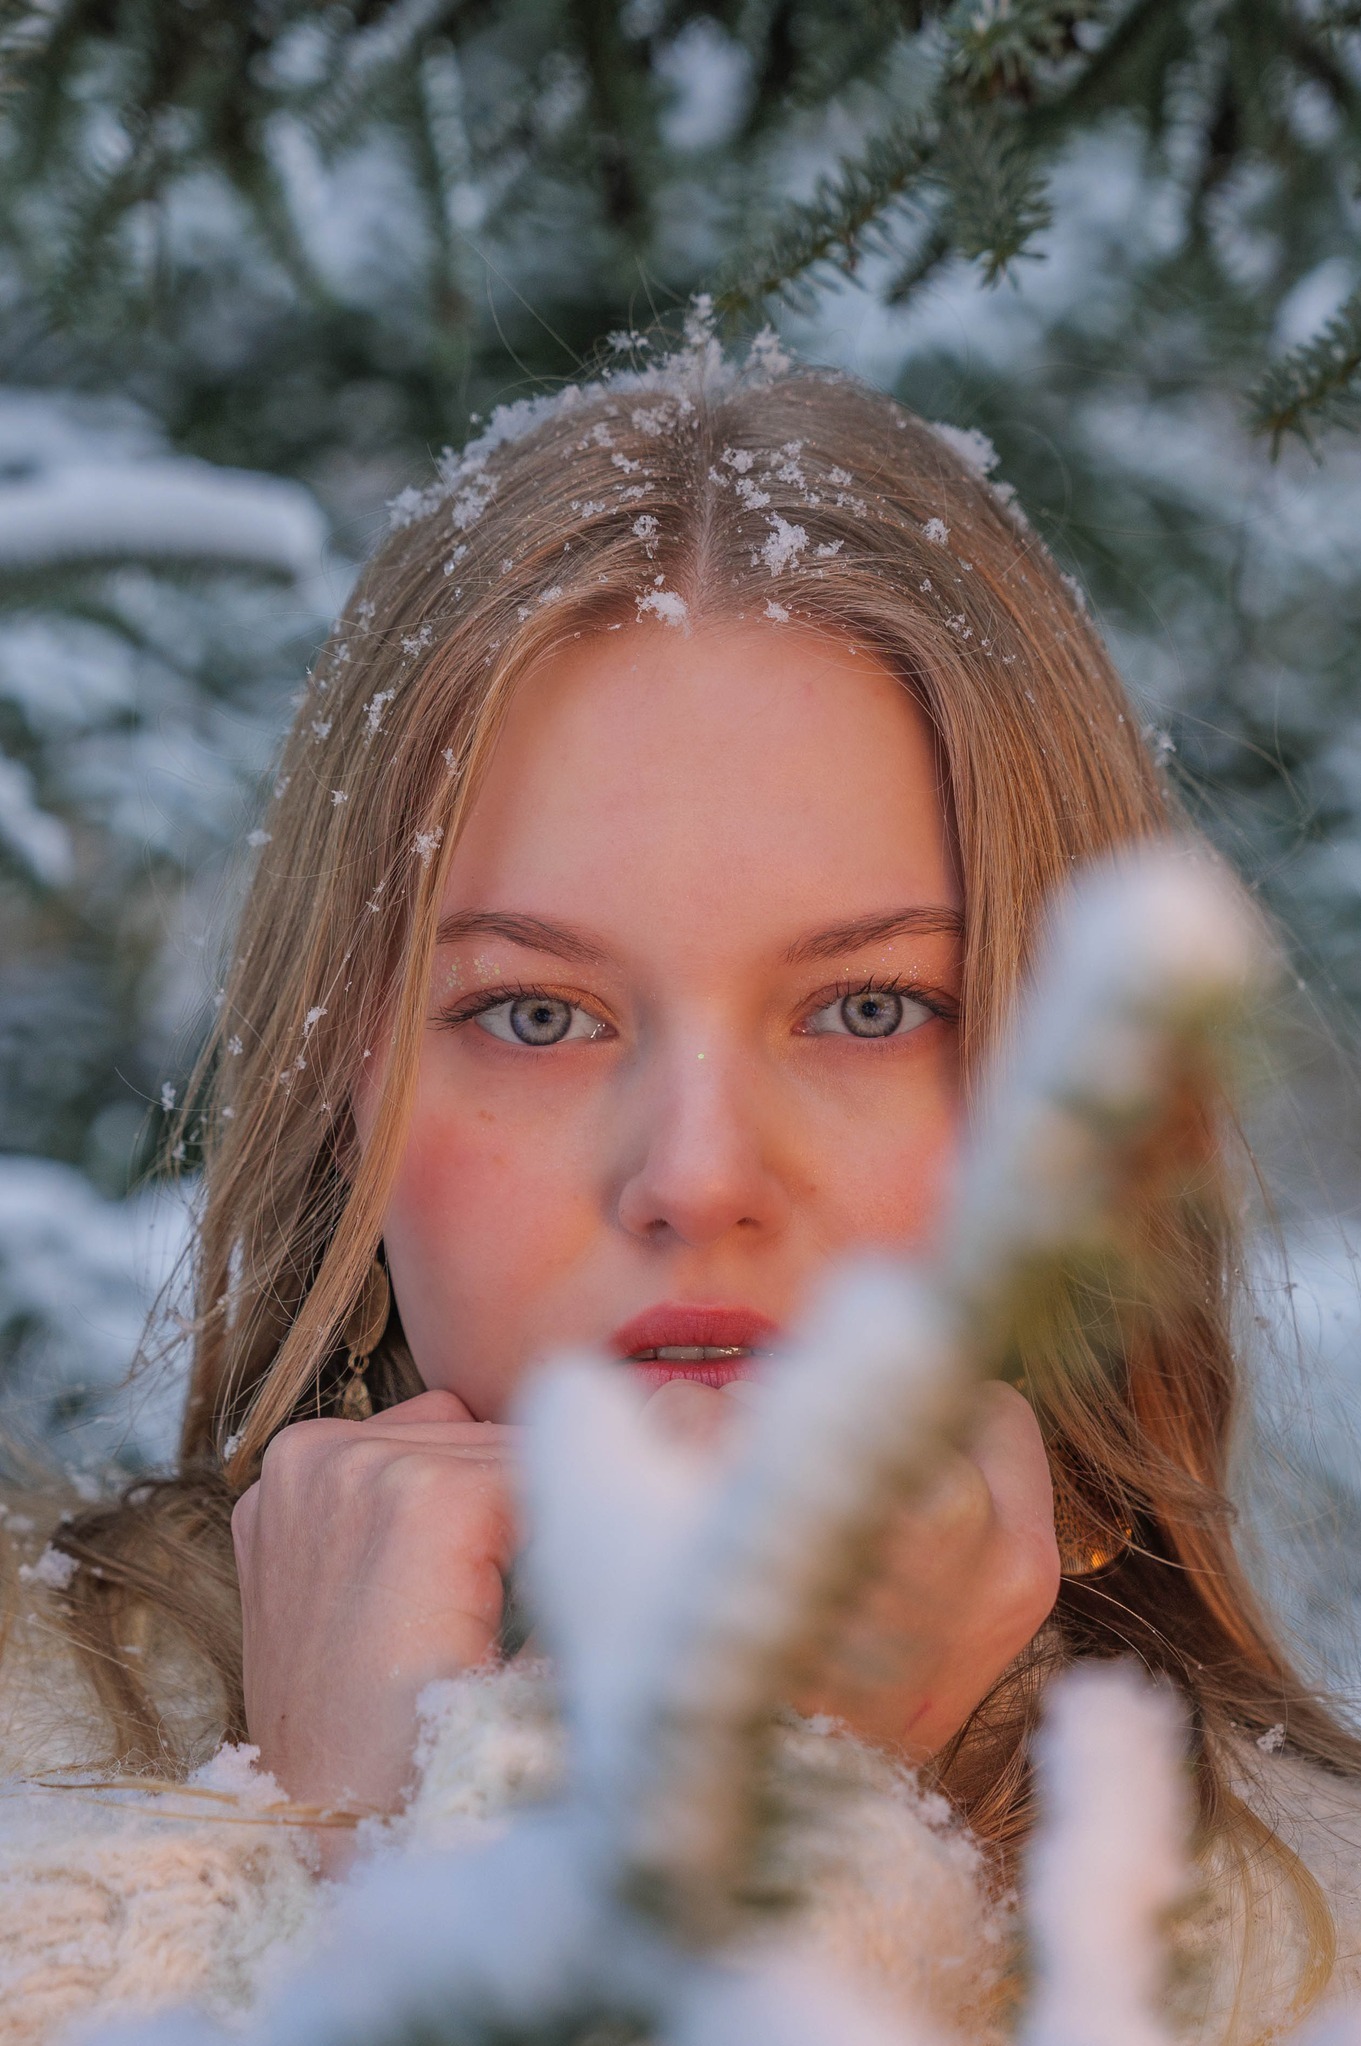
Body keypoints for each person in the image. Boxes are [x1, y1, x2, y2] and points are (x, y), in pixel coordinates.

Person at [1, 327, 1358, 2044]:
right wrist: (332, 1853)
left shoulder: (1316, 1954)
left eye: (869, 1008)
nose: (696, 1174)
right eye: (538, 1013)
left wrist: (804, 1808)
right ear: (343, 1085)